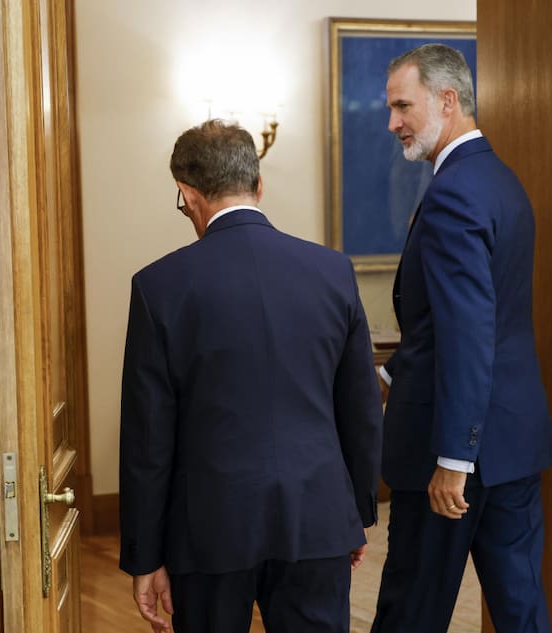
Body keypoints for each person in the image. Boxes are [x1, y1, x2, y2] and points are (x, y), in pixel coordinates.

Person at [120, 119, 383, 633]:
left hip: (209, 530)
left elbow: (148, 440)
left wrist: (145, 556)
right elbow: (361, 409)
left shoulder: (158, 287)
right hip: (317, 518)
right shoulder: (333, 271)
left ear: (187, 194)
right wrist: (352, 515)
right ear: (259, 186)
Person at [371, 44, 552, 633]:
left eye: (403, 106)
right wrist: (385, 375)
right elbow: (462, 325)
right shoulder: (501, 180)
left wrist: (455, 459)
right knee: (522, 612)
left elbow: (470, 331)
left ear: (447, 101)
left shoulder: (452, 192)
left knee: (409, 616)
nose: (393, 122)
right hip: (512, 444)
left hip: (451, 455)